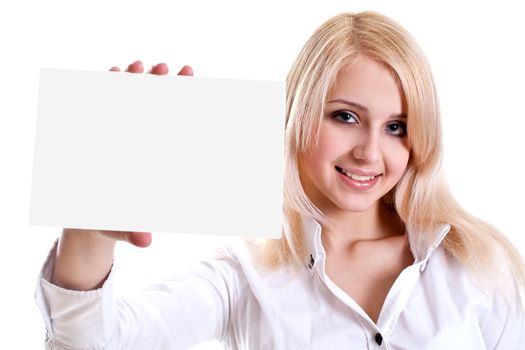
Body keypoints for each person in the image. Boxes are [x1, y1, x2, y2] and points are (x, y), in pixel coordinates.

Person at [35, 11, 525, 349]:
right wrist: (90, 222)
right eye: (345, 117)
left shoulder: (476, 263)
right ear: (298, 114)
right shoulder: (244, 275)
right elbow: (92, 342)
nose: (370, 152)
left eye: (396, 127)